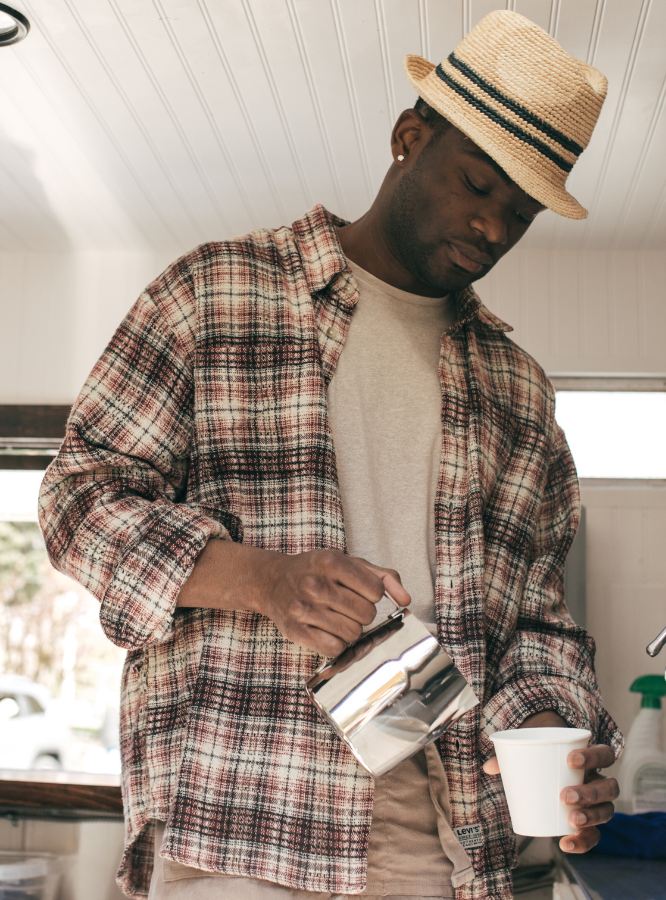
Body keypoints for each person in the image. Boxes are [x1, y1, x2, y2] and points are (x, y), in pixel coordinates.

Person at [40, 12, 621, 899]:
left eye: (521, 212)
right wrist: (262, 579)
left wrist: (550, 722)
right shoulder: (216, 293)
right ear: (407, 137)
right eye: (477, 184)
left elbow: (541, 620)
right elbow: (78, 501)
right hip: (243, 812)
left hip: (445, 831)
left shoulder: (519, 392)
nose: (494, 227)